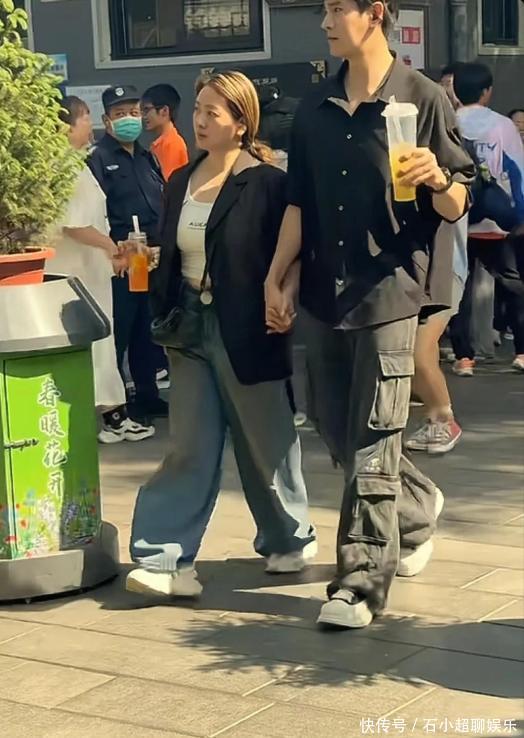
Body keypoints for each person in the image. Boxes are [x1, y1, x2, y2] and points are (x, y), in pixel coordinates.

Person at [265, 0, 474, 629]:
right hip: (325, 292)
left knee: (376, 436)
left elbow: (460, 202)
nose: (325, 22)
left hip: (392, 289)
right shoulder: (314, 107)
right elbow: (299, 203)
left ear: (374, 13)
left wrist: (439, 179)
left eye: (337, 9)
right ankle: (416, 507)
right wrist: (278, 274)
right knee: (336, 429)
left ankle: (358, 584)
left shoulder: (422, 97)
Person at [126, 71, 316, 598]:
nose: (201, 121)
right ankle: (165, 558)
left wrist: (285, 292)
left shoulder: (268, 182)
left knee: (265, 439)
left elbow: (297, 250)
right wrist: (145, 257)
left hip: (248, 319)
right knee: (190, 442)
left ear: (241, 122)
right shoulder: (181, 180)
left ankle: (288, 536)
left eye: (214, 112)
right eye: (198, 110)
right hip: (188, 320)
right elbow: (181, 246)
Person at [50, 96, 155, 443]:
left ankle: (112, 413)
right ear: (67, 126)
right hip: (77, 273)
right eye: (85, 119)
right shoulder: (63, 166)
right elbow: (74, 224)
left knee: (103, 343)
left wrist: (111, 252)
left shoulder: (75, 163)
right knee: (96, 343)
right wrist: (110, 246)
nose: (90, 126)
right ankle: (112, 416)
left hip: (91, 270)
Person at [88, 85, 168, 421]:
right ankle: (117, 405)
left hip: (150, 258)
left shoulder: (147, 157)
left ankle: (148, 396)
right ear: (106, 120)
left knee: (147, 331)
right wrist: (114, 249)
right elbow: (94, 212)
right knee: (121, 331)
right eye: (120, 114)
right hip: (121, 260)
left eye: (134, 112)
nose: (129, 119)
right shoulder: (98, 159)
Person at [450, 63, 524, 375]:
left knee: (458, 289)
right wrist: (520, 215)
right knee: (514, 283)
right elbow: (517, 172)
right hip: (495, 221)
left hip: (456, 219)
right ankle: (521, 352)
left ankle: (464, 357)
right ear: (486, 92)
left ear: (455, 91)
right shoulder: (502, 126)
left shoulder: (448, 121)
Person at [405, 218, 466, 454]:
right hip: (410, 270)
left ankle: (444, 418)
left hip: (444, 272)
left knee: (418, 352)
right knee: (415, 351)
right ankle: (434, 418)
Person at [141, 83, 189, 180]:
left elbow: (170, 184)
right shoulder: (162, 143)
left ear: (164, 111)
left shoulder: (172, 144)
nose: (143, 116)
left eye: (147, 110)